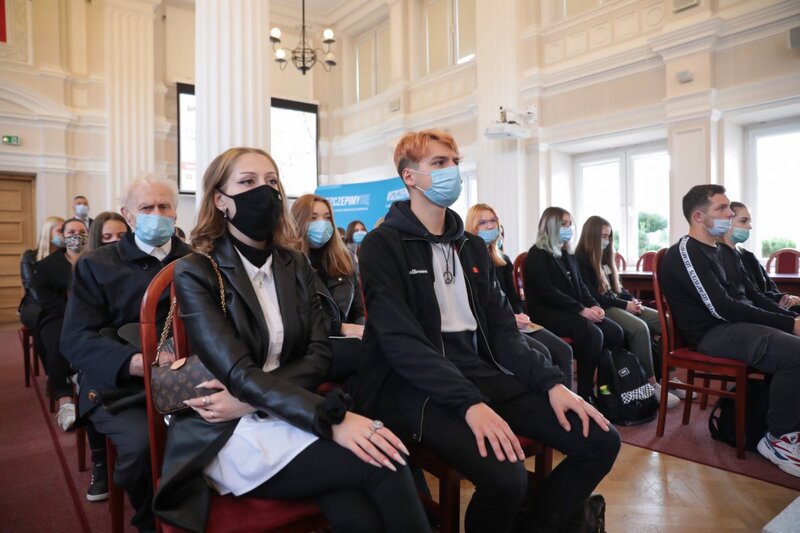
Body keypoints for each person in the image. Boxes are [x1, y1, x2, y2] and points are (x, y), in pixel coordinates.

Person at [152, 147, 428, 533]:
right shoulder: (196, 271)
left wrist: (247, 402)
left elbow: (318, 355)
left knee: (355, 494)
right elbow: (239, 373)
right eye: (247, 182)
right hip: (229, 432)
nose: (264, 192)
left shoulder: (293, 263)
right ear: (220, 200)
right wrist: (329, 421)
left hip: (264, 409)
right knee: (383, 462)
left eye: (271, 182)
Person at [358, 129, 620, 532]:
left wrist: (552, 383)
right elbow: (400, 342)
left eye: (455, 163)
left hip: (480, 372)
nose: (452, 172)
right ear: (409, 176)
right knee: (507, 478)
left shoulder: (471, 247)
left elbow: (502, 332)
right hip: (416, 385)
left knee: (601, 440)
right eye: (439, 163)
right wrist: (468, 402)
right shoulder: (381, 245)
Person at [61, 175, 192, 530]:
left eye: (164, 206)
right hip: (121, 385)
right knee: (142, 447)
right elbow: (75, 339)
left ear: (176, 212)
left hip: (190, 378)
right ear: (127, 215)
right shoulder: (97, 265)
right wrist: (136, 363)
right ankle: (151, 520)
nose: (156, 214)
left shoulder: (196, 261)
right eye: (146, 208)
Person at [660, 184, 800, 478]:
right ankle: (779, 440)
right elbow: (721, 307)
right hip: (713, 333)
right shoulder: (685, 252)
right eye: (722, 209)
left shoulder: (723, 252)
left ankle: (788, 425)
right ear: (699, 216)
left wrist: (789, 317)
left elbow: (751, 296)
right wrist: (789, 324)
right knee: (795, 353)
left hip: (735, 326)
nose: (729, 213)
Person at [575, 216, 679, 408]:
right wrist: (625, 306)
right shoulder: (580, 260)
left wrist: (631, 299)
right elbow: (593, 296)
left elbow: (618, 288)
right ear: (591, 236)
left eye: (608, 236)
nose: (606, 241)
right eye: (602, 236)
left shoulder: (606, 257)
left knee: (666, 322)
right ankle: (651, 384)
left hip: (617, 303)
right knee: (640, 329)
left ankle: (667, 377)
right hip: (604, 308)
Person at [465, 203, 574, 388]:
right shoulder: (467, 260)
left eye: (493, 221)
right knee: (543, 353)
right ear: (472, 227)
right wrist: (510, 318)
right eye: (483, 223)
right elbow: (475, 303)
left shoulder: (503, 260)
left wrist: (520, 314)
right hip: (495, 326)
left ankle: (570, 403)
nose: (491, 226)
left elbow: (513, 297)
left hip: (516, 321)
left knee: (564, 351)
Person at [524, 207, 624, 401]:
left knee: (614, 332)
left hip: (573, 311)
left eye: (569, 224)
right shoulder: (537, 254)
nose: (568, 228)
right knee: (593, 335)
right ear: (551, 226)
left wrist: (594, 306)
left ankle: (605, 390)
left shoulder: (568, 255)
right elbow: (549, 293)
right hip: (549, 313)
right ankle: (585, 393)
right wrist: (581, 310)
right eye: (563, 224)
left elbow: (582, 288)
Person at [291, 195, 366, 382]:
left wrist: (361, 329)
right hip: (309, 347)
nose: (322, 224)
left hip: (347, 342)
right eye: (314, 218)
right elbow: (298, 319)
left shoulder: (343, 259)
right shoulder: (288, 263)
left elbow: (357, 309)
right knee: (365, 356)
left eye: (327, 218)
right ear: (299, 222)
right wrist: (342, 328)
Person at [30, 218, 89, 430]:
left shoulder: (96, 260)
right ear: (63, 236)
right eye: (71, 231)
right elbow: (44, 296)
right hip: (59, 315)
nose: (76, 235)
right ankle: (65, 401)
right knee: (55, 342)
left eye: (81, 231)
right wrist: (71, 313)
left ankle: (86, 382)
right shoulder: (47, 265)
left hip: (93, 315)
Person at [723, 202, 799, 314]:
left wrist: (784, 298)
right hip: (757, 312)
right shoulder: (720, 256)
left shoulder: (747, 255)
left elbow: (769, 287)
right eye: (743, 221)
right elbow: (750, 297)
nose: (749, 226)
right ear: (726, 222)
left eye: (749, 221)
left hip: (772, 306)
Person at [19, 216, 64, 329]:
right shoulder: (29, 257)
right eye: (60, 231)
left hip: (63, 303)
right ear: (47, 233)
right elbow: (33, 289)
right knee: (51, 321)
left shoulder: (68, 256)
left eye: (65, 230)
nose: (64, 234)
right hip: (37, 304)